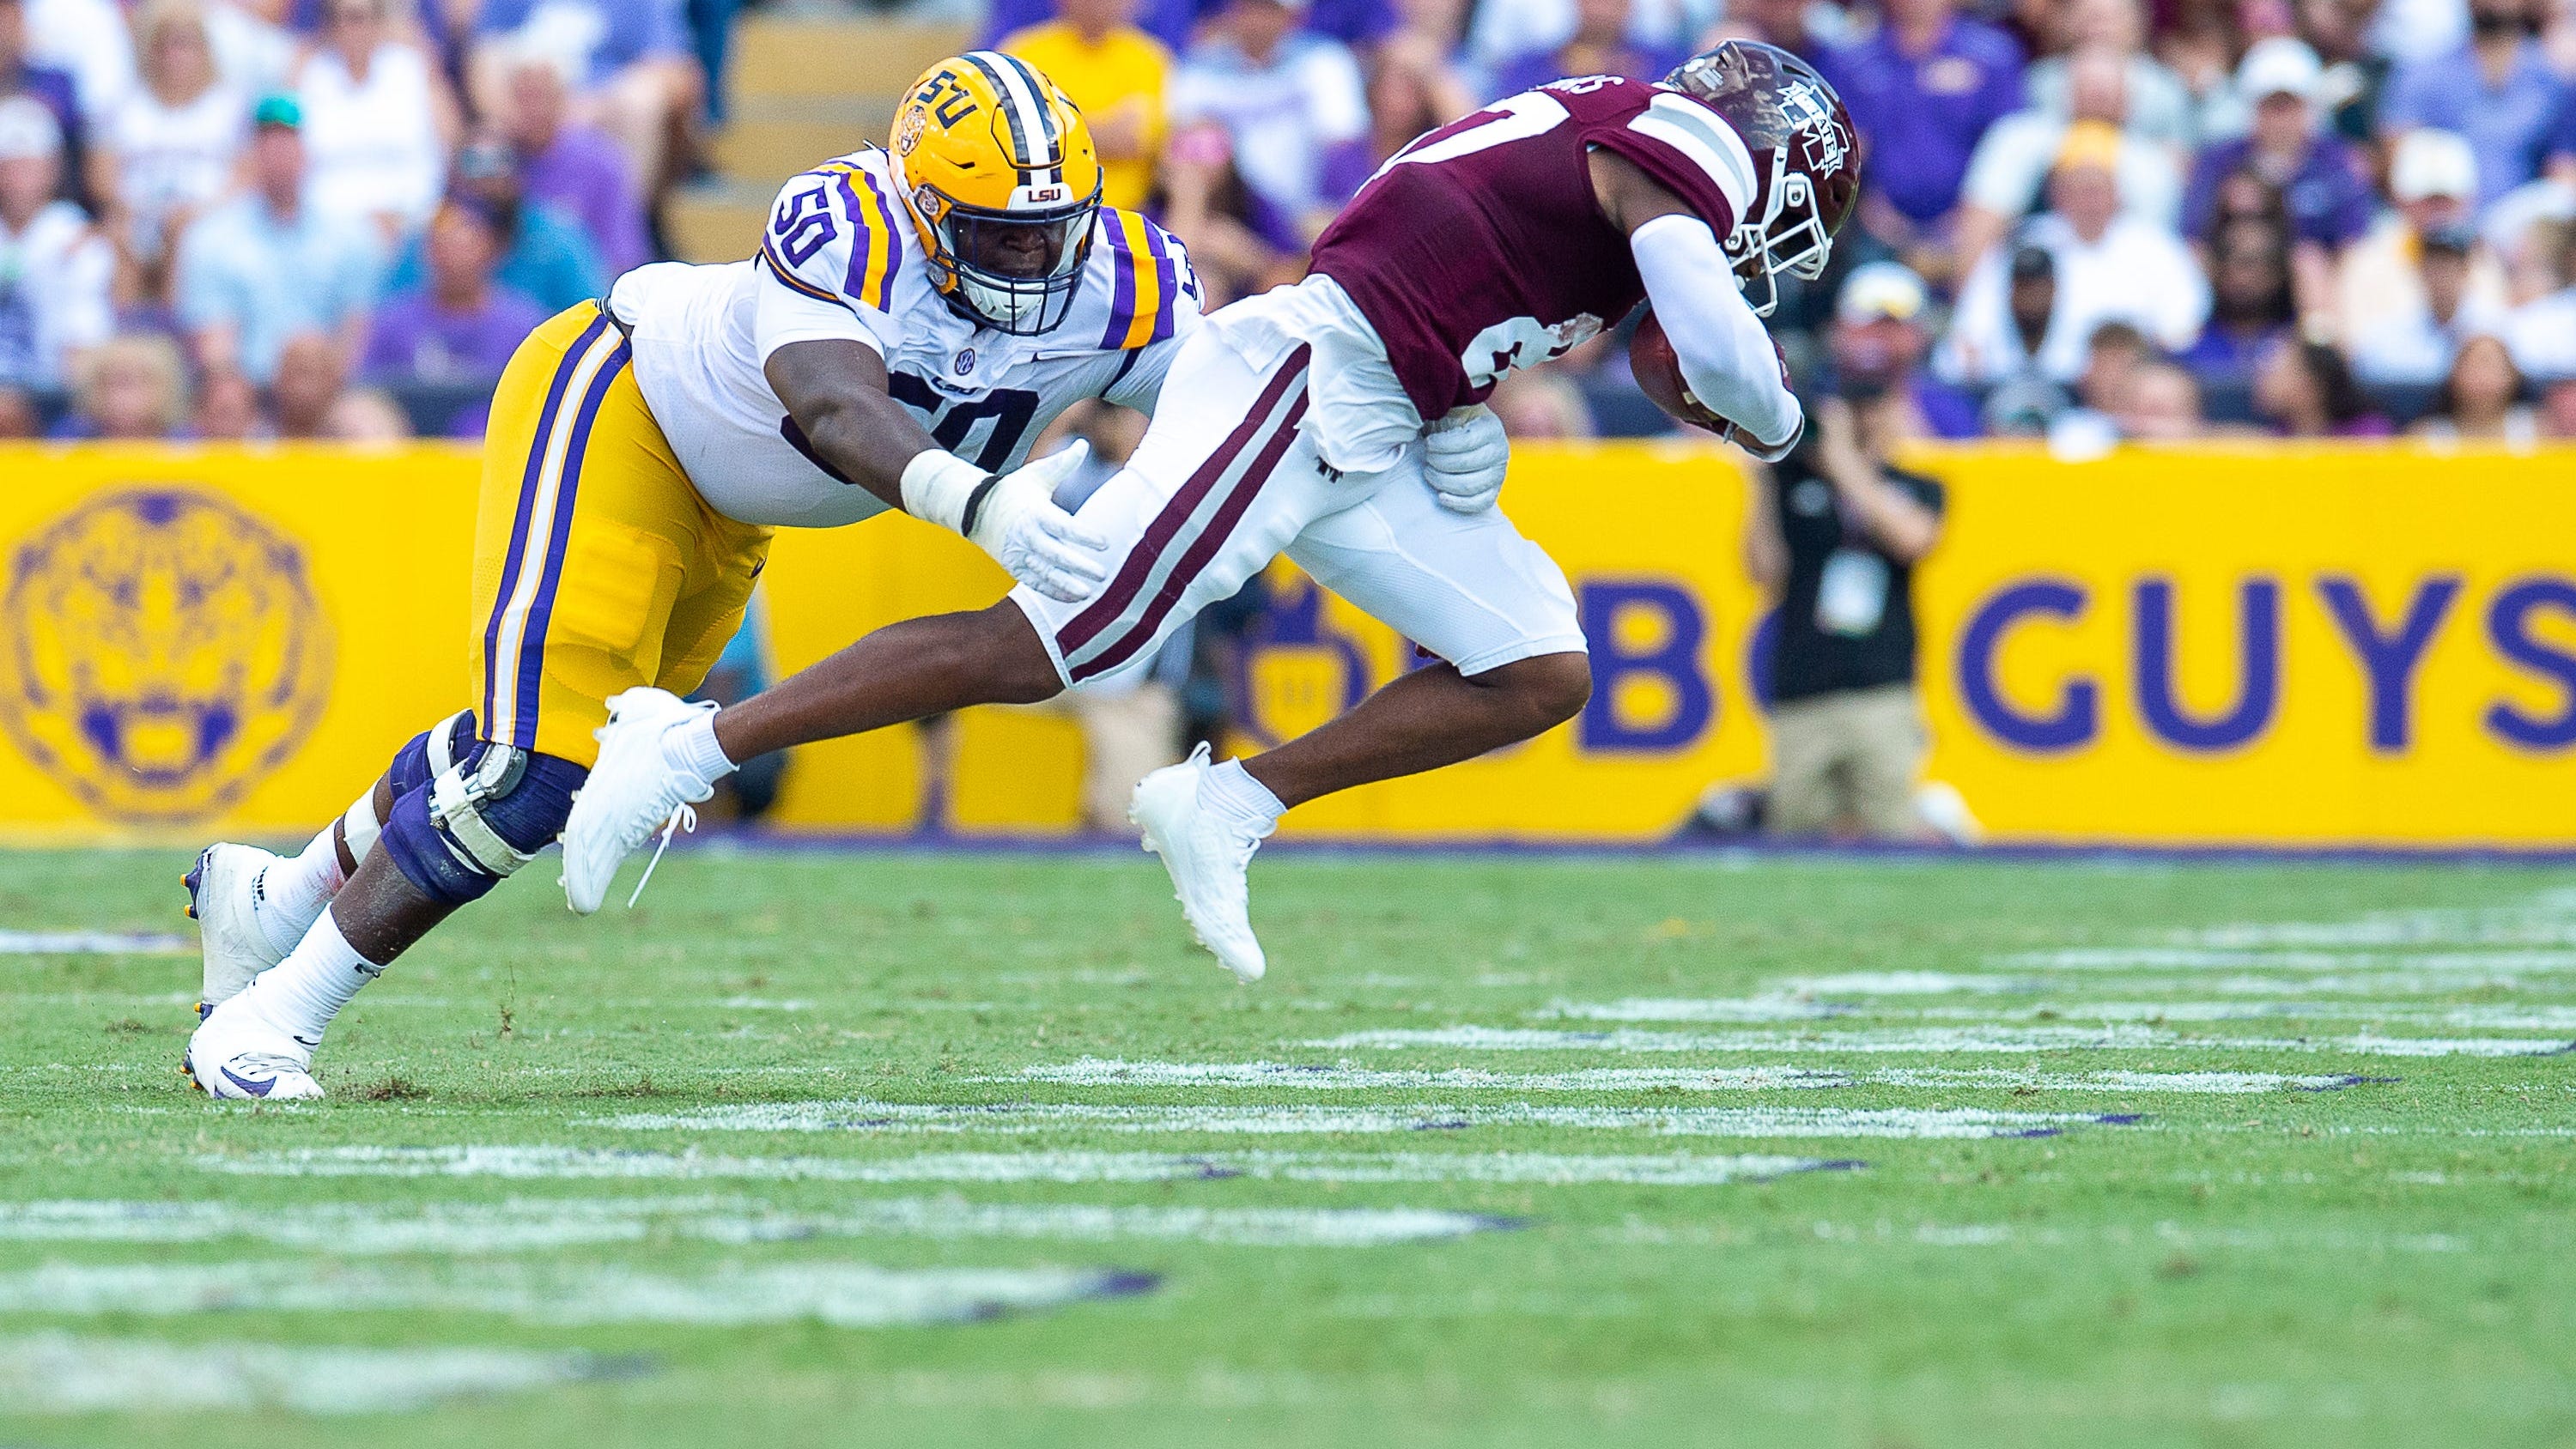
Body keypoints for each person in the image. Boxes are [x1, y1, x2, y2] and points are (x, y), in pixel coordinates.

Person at [562, 44, 1853, 988]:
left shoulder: (1603, 128)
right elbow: (1717, 352)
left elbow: (1429, 229)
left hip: (1371, 404)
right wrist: (1784, 423)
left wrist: (1457, 397)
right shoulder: (1676, 145)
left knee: (1536, 664)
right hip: (1308, 380)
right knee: (1058, 646)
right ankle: (689, 746)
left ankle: (1227, 807)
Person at [183, 53, 1287, 1100]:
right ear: (923, 211)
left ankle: (274, 900)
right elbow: (834, 406)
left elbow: (1233, 417)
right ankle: (270, 1020)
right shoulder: (847, 221)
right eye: (997, 234)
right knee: (539, 769)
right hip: (624, 409)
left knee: (535, 743)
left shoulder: (1133, 279)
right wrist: (980, 501)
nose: (1031, 262)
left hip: (737, 507)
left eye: (1053, 230)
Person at [1744, 391, 1941, 840]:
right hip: (1803, 688)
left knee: (1893, 828)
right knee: (1794, 831)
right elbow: (1764, 571)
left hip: (1880, 687)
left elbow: (1912, 539)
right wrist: (1760, 481)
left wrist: (1844, 463)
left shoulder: (1912, 485)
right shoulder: (1789, 484)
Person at [1938, 120, 2207, 385]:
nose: (2089, 202)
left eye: (2097, 190)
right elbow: (1972, 329)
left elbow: (2182, 330)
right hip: (2033, 388)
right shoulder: (2025, 242)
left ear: (2117, 193)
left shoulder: (2155, 247)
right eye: (2078, 190)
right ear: (2057, 194)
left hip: (2128, 389)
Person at [173, 94, 382, 385]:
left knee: (366, 413)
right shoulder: (209, 239)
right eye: (267, 142)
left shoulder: (353, 237)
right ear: (249, 154)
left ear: (307, 150)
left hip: (329, 390)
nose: (278, 152)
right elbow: (215, 351)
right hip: (248, 392)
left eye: (288, 141)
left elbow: (355, 338)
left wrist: (318, 391)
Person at [1814, 0, 2022, 282]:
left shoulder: (1993, 56)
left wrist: (1969, 223)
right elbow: (1840, 151)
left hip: (1973, 228)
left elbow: (2012, 148)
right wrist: (1870, 210)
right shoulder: (1852, 60)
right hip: (1876, 228)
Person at [2181, 38, 2371, 320]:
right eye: (2271, 106)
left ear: (2309, 108)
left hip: (2313, 285)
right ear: (2252, 108)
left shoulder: (2336, 163)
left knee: (2309, 261)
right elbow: (2195, 238)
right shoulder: (2219, 162)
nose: (2280, 118)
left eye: (2289, 105)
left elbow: (2352, 243)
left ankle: (2319, 336)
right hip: (2231, 276)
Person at [1169, 0, 1372, 246]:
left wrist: (1332, 210)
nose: (1257, 20)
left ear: (1294, 16)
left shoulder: (1325, 60)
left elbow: (1343, 146)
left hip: (1306, 217)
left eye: (1269, 9)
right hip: (1227, 217)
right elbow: (1178, 154)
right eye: (1250, 7)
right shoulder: (1197, 69)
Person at [94, 0, 244, 304]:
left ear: (204, 49)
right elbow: (101, 176)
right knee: (119, 241)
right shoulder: (125, 105)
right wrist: (126, 209)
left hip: (204, 218)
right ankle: (126, 327)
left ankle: (172, 326)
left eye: (185, 44)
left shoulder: (228, 107)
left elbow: (245, 178)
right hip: (137, 215)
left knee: (183, 236)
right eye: (165, 45)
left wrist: (198, 212)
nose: (175, 56)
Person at [2379, 0, 2567, 209]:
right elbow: (2397, 165)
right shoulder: (2422, 73)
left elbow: (2564, 170)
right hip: (2440, 217)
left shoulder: (2554, 78)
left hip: (2524, 219)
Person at [292, 0, 452, 237]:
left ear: (378, 22)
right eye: (337, 19)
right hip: (329, 231)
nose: (347, 28)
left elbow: (450, 146)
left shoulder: (412, 68)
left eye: (356, 18)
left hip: (415, 224)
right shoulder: (309, 75)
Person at [2339, 128, 2510, 346]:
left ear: (2467, 202)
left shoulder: (2484, 261)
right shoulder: (2366, 262)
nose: (2437, 211)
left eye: (2446, 200)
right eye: (2427, 200)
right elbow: (2356, 344)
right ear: (2400, 200)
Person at [494, 45, 649, 280]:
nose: (533, 110)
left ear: (562, 100)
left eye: (542, 97)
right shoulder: (491, 159)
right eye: (523, 97)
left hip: (581, 290)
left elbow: (622, 257)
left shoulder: (601, 162)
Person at [1001, 0, 1172, 213]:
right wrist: (1105, 130)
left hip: (1126, 214)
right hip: (1042, 210)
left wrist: (1055, 127)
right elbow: (1013, 136)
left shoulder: (1148, 58)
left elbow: (1133, 138)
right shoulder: (1025, 51)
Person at [361, 195, 548, 385]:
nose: (454, 259)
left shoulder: (525, 328)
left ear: (492, 250)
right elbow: (369, 388)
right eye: (443, 246)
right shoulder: (393, 324)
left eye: (466, 247)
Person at [0, 94, 109, 391]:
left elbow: (84, 340)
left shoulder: (74, 234)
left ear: (53, 167)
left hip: (51, 392)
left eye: (27, 166)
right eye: (7, 166)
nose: (16, 179)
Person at [1826, 258, 1978, 439]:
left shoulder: (1948, 409)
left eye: (1893, 325)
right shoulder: (1804, 401)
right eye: (1867, 323)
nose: (1880, 336)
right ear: (1838, 329)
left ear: (1920, 335)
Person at [2349, 219, 2505, 385]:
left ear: (2466, 270)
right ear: (2420, 270)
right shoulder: (2386, 339)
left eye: (2448, 265)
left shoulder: (2497, 328)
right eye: (2432, 265)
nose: (2440, 275)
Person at [2175, 216, 2294, 393]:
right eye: (2228, 261)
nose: (2240, 278)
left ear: (2277, 274)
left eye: (2251, 264)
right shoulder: (2187, 344)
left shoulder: (2297, 345)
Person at [56, 330, 187, 437]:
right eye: (112, 383)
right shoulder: (71, 439)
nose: (122, 397)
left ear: (164, 388)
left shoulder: (185, 447)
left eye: (133, 383)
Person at [2411, 331, 2535, 442]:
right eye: (2474, 368)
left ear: (2513, 376)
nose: (2483, 378)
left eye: (2492, 367)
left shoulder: (2539, 432)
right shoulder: (2423, 438)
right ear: (2454, 375)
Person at [2251, 336, 2386, 435]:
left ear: (2314, 385)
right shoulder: (2277, 436)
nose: (2265, 380)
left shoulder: (2367, 435)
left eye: (2279, 372)